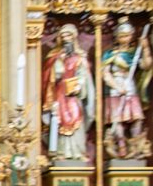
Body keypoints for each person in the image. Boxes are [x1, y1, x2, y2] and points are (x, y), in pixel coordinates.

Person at [102, 16, 153, 160]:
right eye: (122, 36)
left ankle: (136, 145)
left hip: (129, 86)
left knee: (136, 118)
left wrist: (145, 48)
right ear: (117, 37)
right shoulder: (109, 54)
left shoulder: (133, 54)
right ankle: (121, 143)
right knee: (116, 118)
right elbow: (105, 74)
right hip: (115, 88)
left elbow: (146, 65)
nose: (125, 39)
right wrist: (117, 86)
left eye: (128, 36)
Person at [42, 23, 94, 161]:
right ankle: (62, 152)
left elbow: (84, 76)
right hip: (59, 93)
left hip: (74, 95)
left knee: (76, 116)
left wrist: (79, 85)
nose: (66, 39)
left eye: (68, 35)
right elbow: (50, 76)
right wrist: (58, 63)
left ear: (74, 37)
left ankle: (77, 152)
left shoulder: (80, 58)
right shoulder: (55, 56)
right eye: (63, 36)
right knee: (60, 119)